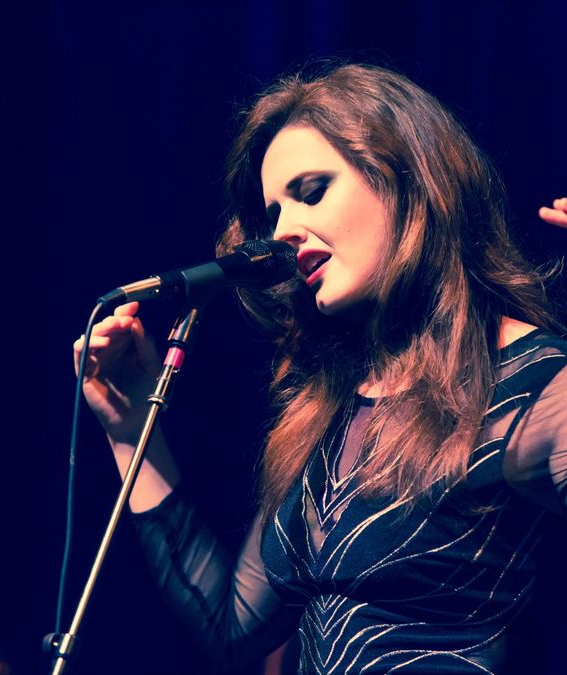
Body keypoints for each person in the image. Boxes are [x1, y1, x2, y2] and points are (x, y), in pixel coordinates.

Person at [76, 62, 567, 673]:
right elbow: (230, 633)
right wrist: (131, 433)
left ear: (408, 181)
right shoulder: (328, 407)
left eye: (310, 192)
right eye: (274, 212)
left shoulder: (536, 382)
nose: (284, 232)